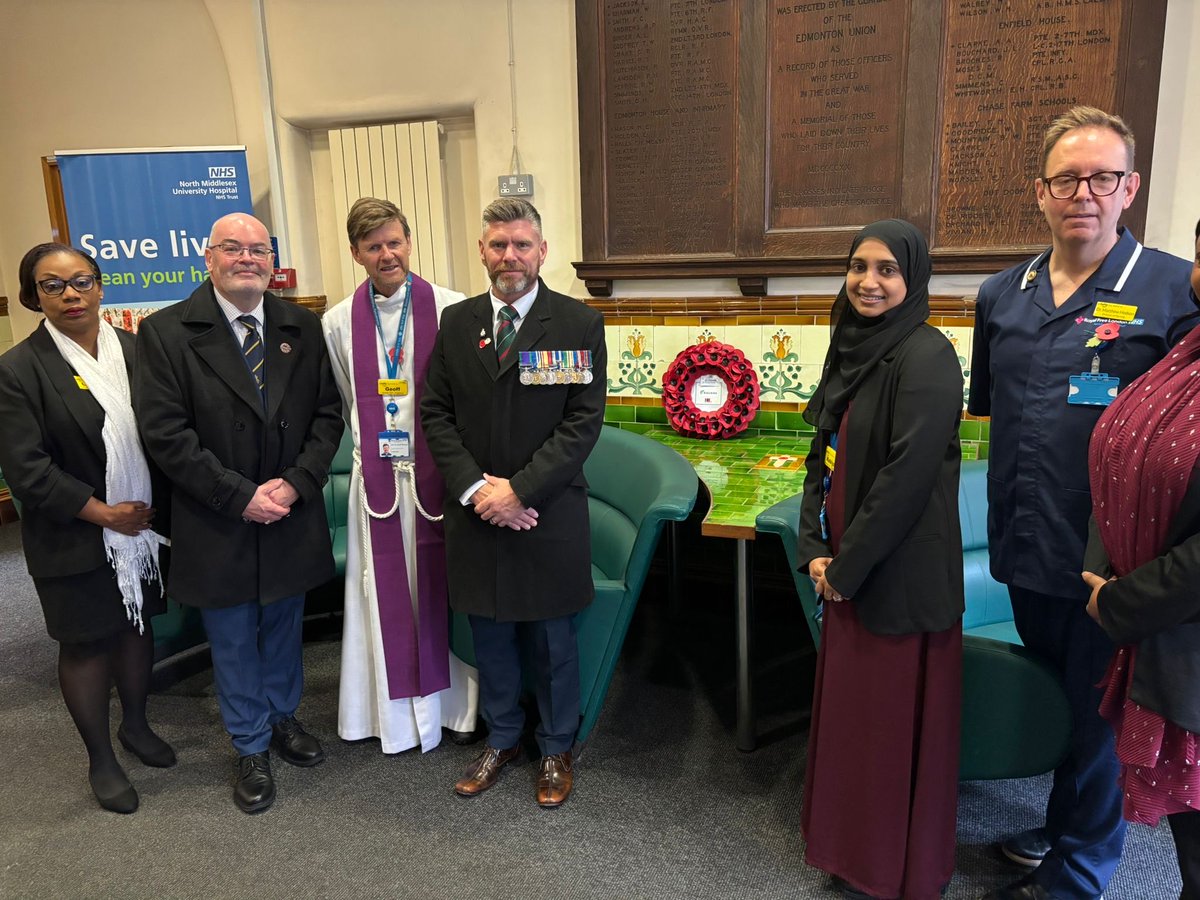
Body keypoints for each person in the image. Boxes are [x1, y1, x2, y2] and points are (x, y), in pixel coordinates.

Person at [969, 107, 1195, 900]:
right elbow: (994, 413)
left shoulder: (1174, 290)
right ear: (1041, 192)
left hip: (1116, 562)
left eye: (1103, 177)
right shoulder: (1002, 294)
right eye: (1067, 178)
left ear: (1130, 187)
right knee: (1068, 705)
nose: (1084, 193)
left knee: (1100, 719)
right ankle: (1064, 824)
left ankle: (1081, 872)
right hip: (1027, 547)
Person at [135, 213, 343, 814]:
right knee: (230, 637)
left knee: (283, 624)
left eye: (259, 249)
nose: (247, 258)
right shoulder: (167, 332)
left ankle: (283, 718)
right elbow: (165, 433)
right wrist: (239, 495)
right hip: (217, 515)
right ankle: (250, 744)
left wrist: (296, 484)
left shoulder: (299, 325)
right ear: (209, 257)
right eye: (234, 248)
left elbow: (328, 416)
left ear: (271, 261)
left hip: (287, 510)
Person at [419, 197, 606, 808]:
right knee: (491, 636)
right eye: (498, 245)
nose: (510, 257)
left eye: (522, 245)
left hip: (544, 513)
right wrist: (480, 491)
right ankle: (502, 738)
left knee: (553, 641)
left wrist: (518, 491)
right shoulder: (456, 324)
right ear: (482, 251)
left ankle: (555, 748)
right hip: (477, 515)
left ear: (542, 252)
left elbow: (580, 425)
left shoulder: (576, 323)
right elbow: (436, 416)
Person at [797, 220, 964, 900]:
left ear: (912, 279)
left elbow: (905, 478)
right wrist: (813, 546)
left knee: (891, 732)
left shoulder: (926, 356)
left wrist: (845, 569)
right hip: (845, 573)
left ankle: (894, 868)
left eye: (887, 270)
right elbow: (823, 455)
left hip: (894, 580)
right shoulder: (852, 346)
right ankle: (849, 851)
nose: (869, 281)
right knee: (854, 726)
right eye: (859, 266)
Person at [0, 243, 173, 814]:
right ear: (33, 297)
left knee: (135, 626)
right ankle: (101, 757)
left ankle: (137, 725)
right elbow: (26, 470)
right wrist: (104, 515)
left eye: (81, 281)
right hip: (74, 533)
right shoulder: (18, 369)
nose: (71, 294)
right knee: (86, 645)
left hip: (140, 532)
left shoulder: (137, 349)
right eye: (53, 285)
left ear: (101, 286)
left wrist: (135, 518)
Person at [321, 197, 477, 754]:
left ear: (409, 242)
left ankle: (453, 712)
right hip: (379, 484)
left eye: (394, 241)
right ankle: (382, 715)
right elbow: (345, 400)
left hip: (442, 477)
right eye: (373, 246)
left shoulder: (455, 309)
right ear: (356, 253)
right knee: (378, 592)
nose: (386, 254)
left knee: (444, 588)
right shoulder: (337, 322)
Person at [1081, 219, 1200, 900]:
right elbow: (1120, 458)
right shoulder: (1186, 352)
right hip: (1160, 633)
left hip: (1170, 625)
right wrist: (1105, 575)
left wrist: (1121, 601)